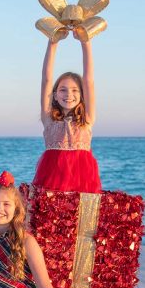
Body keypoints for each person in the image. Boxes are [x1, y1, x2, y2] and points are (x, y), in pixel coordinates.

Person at [32, 37, 101, 193]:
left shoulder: (87, 119)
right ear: (55, 95)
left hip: (84, 182)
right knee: (49, 216)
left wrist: (85, 42)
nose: (69, 94)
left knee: (83, 217)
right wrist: (52, 43)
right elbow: (46, 80)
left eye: (75, 90)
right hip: (51, 180)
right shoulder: (48, 118)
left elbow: (89, 80)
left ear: (82, 95)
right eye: (63, 89)